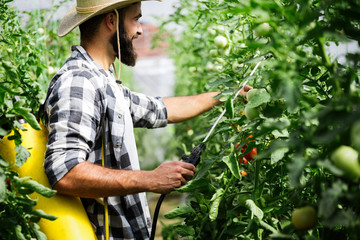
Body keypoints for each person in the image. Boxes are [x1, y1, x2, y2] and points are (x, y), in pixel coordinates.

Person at [43, 0, 252, 239]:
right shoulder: (80, 81)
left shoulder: (104, 81)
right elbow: (64, 171)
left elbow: (159, 109)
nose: (140, 29)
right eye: (136, 19)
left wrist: (227, 94)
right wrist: (151, 178)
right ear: (111, 21)